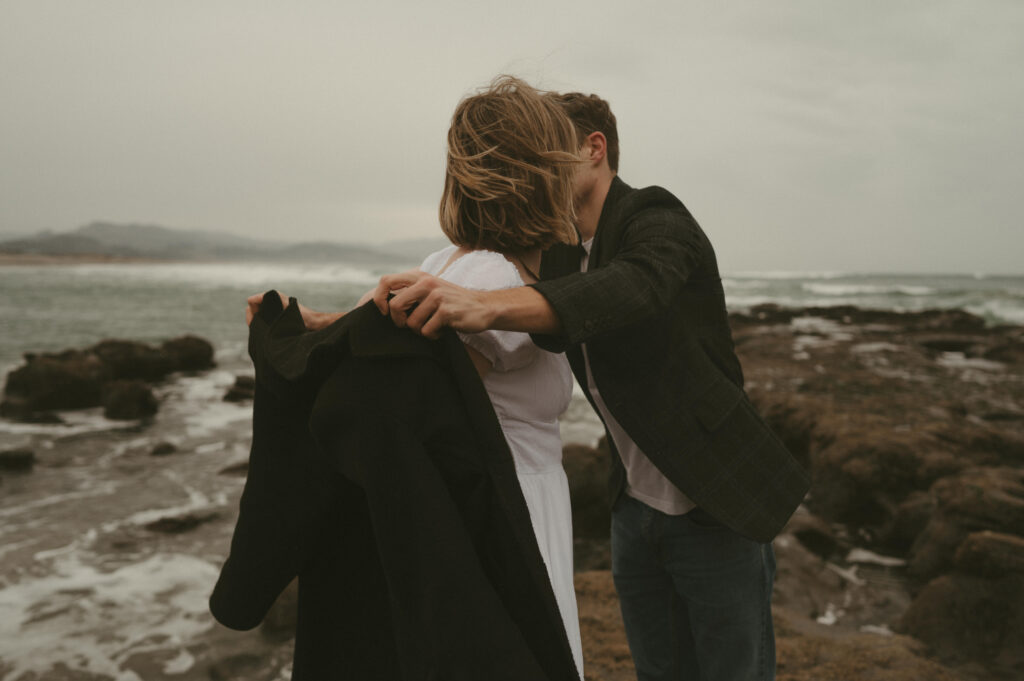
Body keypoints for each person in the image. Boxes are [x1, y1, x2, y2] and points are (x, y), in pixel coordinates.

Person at [371, 92, 810, 681]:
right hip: (631, 507)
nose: (538, 171)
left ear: (593, 149)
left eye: (550, 154)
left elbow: (633, 287)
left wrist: (485, 305)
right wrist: (346, 323)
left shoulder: (656, 219)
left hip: (714, 503)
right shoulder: (553, 248)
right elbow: (489, 262)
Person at [246, 76, 586, 677]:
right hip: (507, 514)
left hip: (464, 507)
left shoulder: (443, 264)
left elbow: (376, 347)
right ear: (540, 173)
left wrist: (314, 328)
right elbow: (422, 383)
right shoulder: (490, 280)